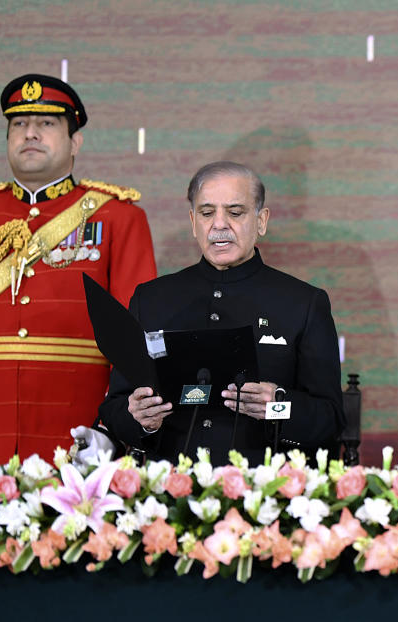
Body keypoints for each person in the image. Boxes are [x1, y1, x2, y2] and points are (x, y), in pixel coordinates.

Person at [0, 73, 157, 466]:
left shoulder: (118, 218)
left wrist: (111, 431)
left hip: (79, 435)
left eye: (46, 124)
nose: (30, 133)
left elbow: (134, 341)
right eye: (19, 124)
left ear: (75, 142)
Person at [98, 161, 345, 464]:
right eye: (206, 213)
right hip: (168, 490)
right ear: (193, 222)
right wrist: (140, 418)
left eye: (235, 212)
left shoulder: (304, 303)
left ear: (262, 221)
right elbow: (114, 409)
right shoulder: (151, 299)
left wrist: (278, 405)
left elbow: (330, 419)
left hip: (262, 492)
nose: (219, 224)